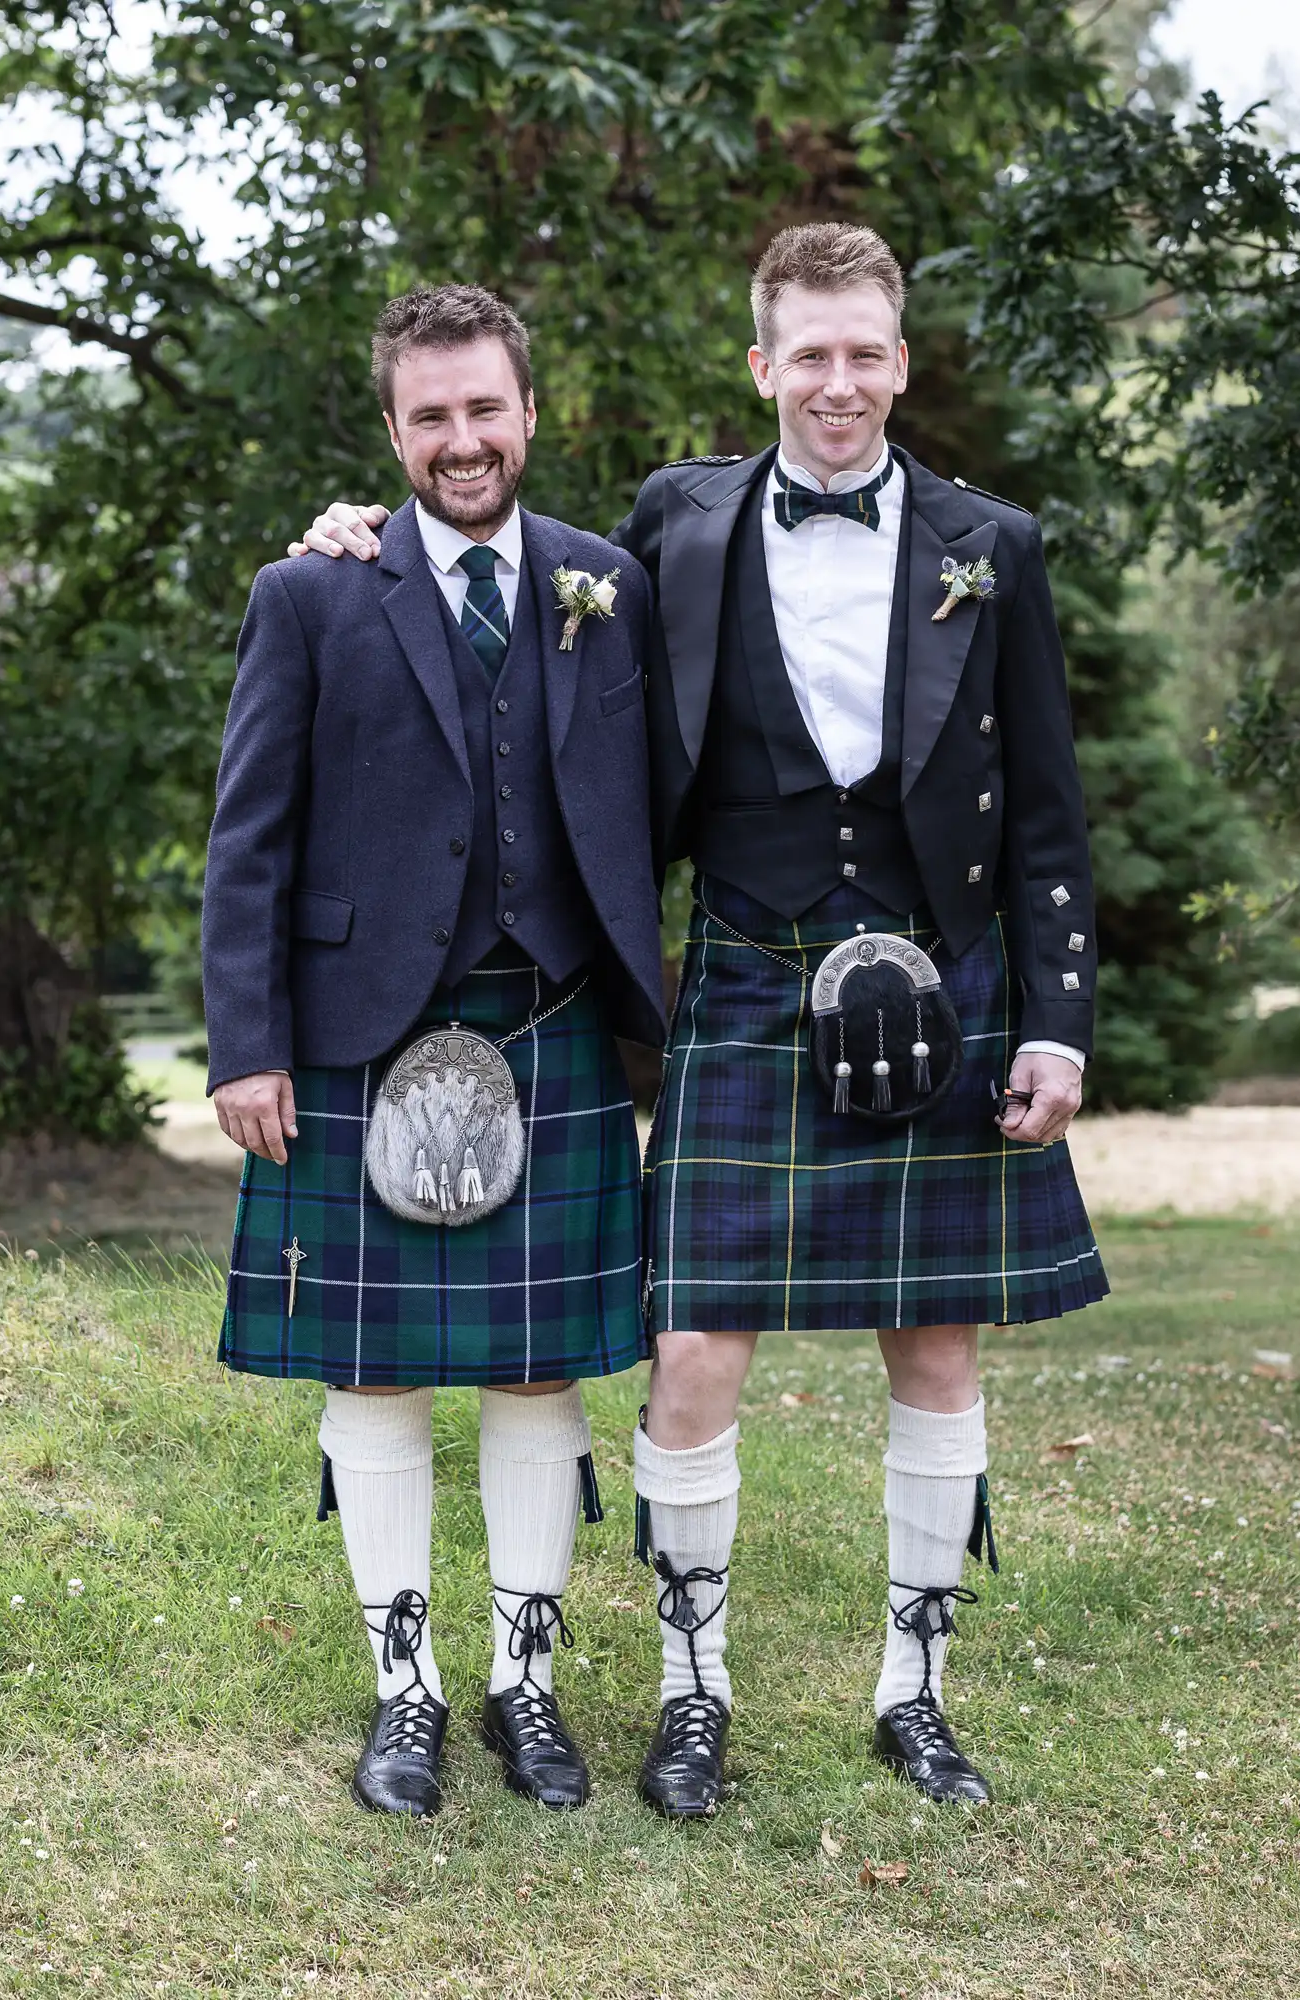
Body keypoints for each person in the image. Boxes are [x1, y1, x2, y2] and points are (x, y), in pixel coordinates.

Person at [287, 222, 1108, 1818]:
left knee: (937, 1345)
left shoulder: (990, 545)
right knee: (690, 1352)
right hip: (745, 970)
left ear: (901, 360)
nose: (840, 383)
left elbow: (1052, 814)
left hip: (948, 980)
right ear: (763, 367)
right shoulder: (680, 521)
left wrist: (1058, 1021)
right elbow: (509, 611)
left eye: (867, 352)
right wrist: (356, 540)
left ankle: (914, 1695)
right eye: (810, 353)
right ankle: (690, 1697)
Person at [204, 283, 664, 1821]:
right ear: (393, 429)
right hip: (356, 1039)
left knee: (540, 1371)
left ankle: (522, 1686)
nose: (463, 440)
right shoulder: (314, 593)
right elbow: (248, 840)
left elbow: (662, 796)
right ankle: (404, 1692)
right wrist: (246, 1046)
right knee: (374, 1367)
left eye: (486, 409)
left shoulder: (609, 584)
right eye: (432, 416)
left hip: (548, 1030)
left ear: (531, 412)